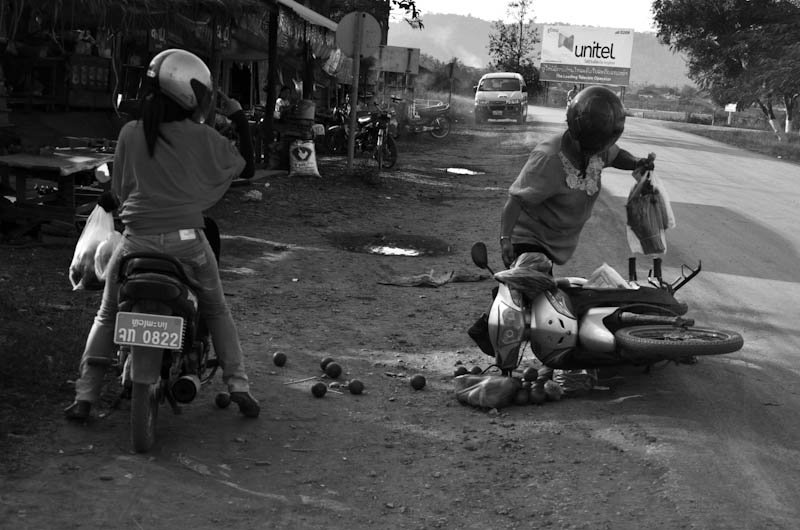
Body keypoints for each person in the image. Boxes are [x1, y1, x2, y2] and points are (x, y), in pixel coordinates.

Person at [64, 48, 259, 421]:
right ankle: (239, 386)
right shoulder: (202, 138)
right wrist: (239, 118)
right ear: (190, 93)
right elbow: (247, 167)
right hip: (188, 243)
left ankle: (84, 396)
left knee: (106, 315)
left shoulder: (130, 133)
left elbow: (119, 191)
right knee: (216, 309)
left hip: (134, 243)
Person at [469, 86, 654, 354]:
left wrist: (637, 162)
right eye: (595, 147)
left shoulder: (597, 148)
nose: (599, 152)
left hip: (558, 241)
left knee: (533, 295)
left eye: (602, 146)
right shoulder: (548, 158)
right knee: (536, 293)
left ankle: (500, 322)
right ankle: (493, 341)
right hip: (530, 237)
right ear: (577, 132)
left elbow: (616, 156)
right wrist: (505, 239)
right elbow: (515, 200)